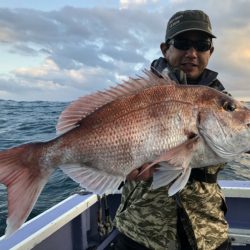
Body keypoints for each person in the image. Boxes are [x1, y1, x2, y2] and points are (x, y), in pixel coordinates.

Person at [113, 10, 231, 250]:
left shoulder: (225, 103)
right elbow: (107, 137)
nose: (192, 53)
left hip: (207, 233)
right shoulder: (135, 97)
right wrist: (117, 168)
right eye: (182, 43)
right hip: (140, 231)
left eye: (202, 45)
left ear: (211, 51)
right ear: (165, 49)